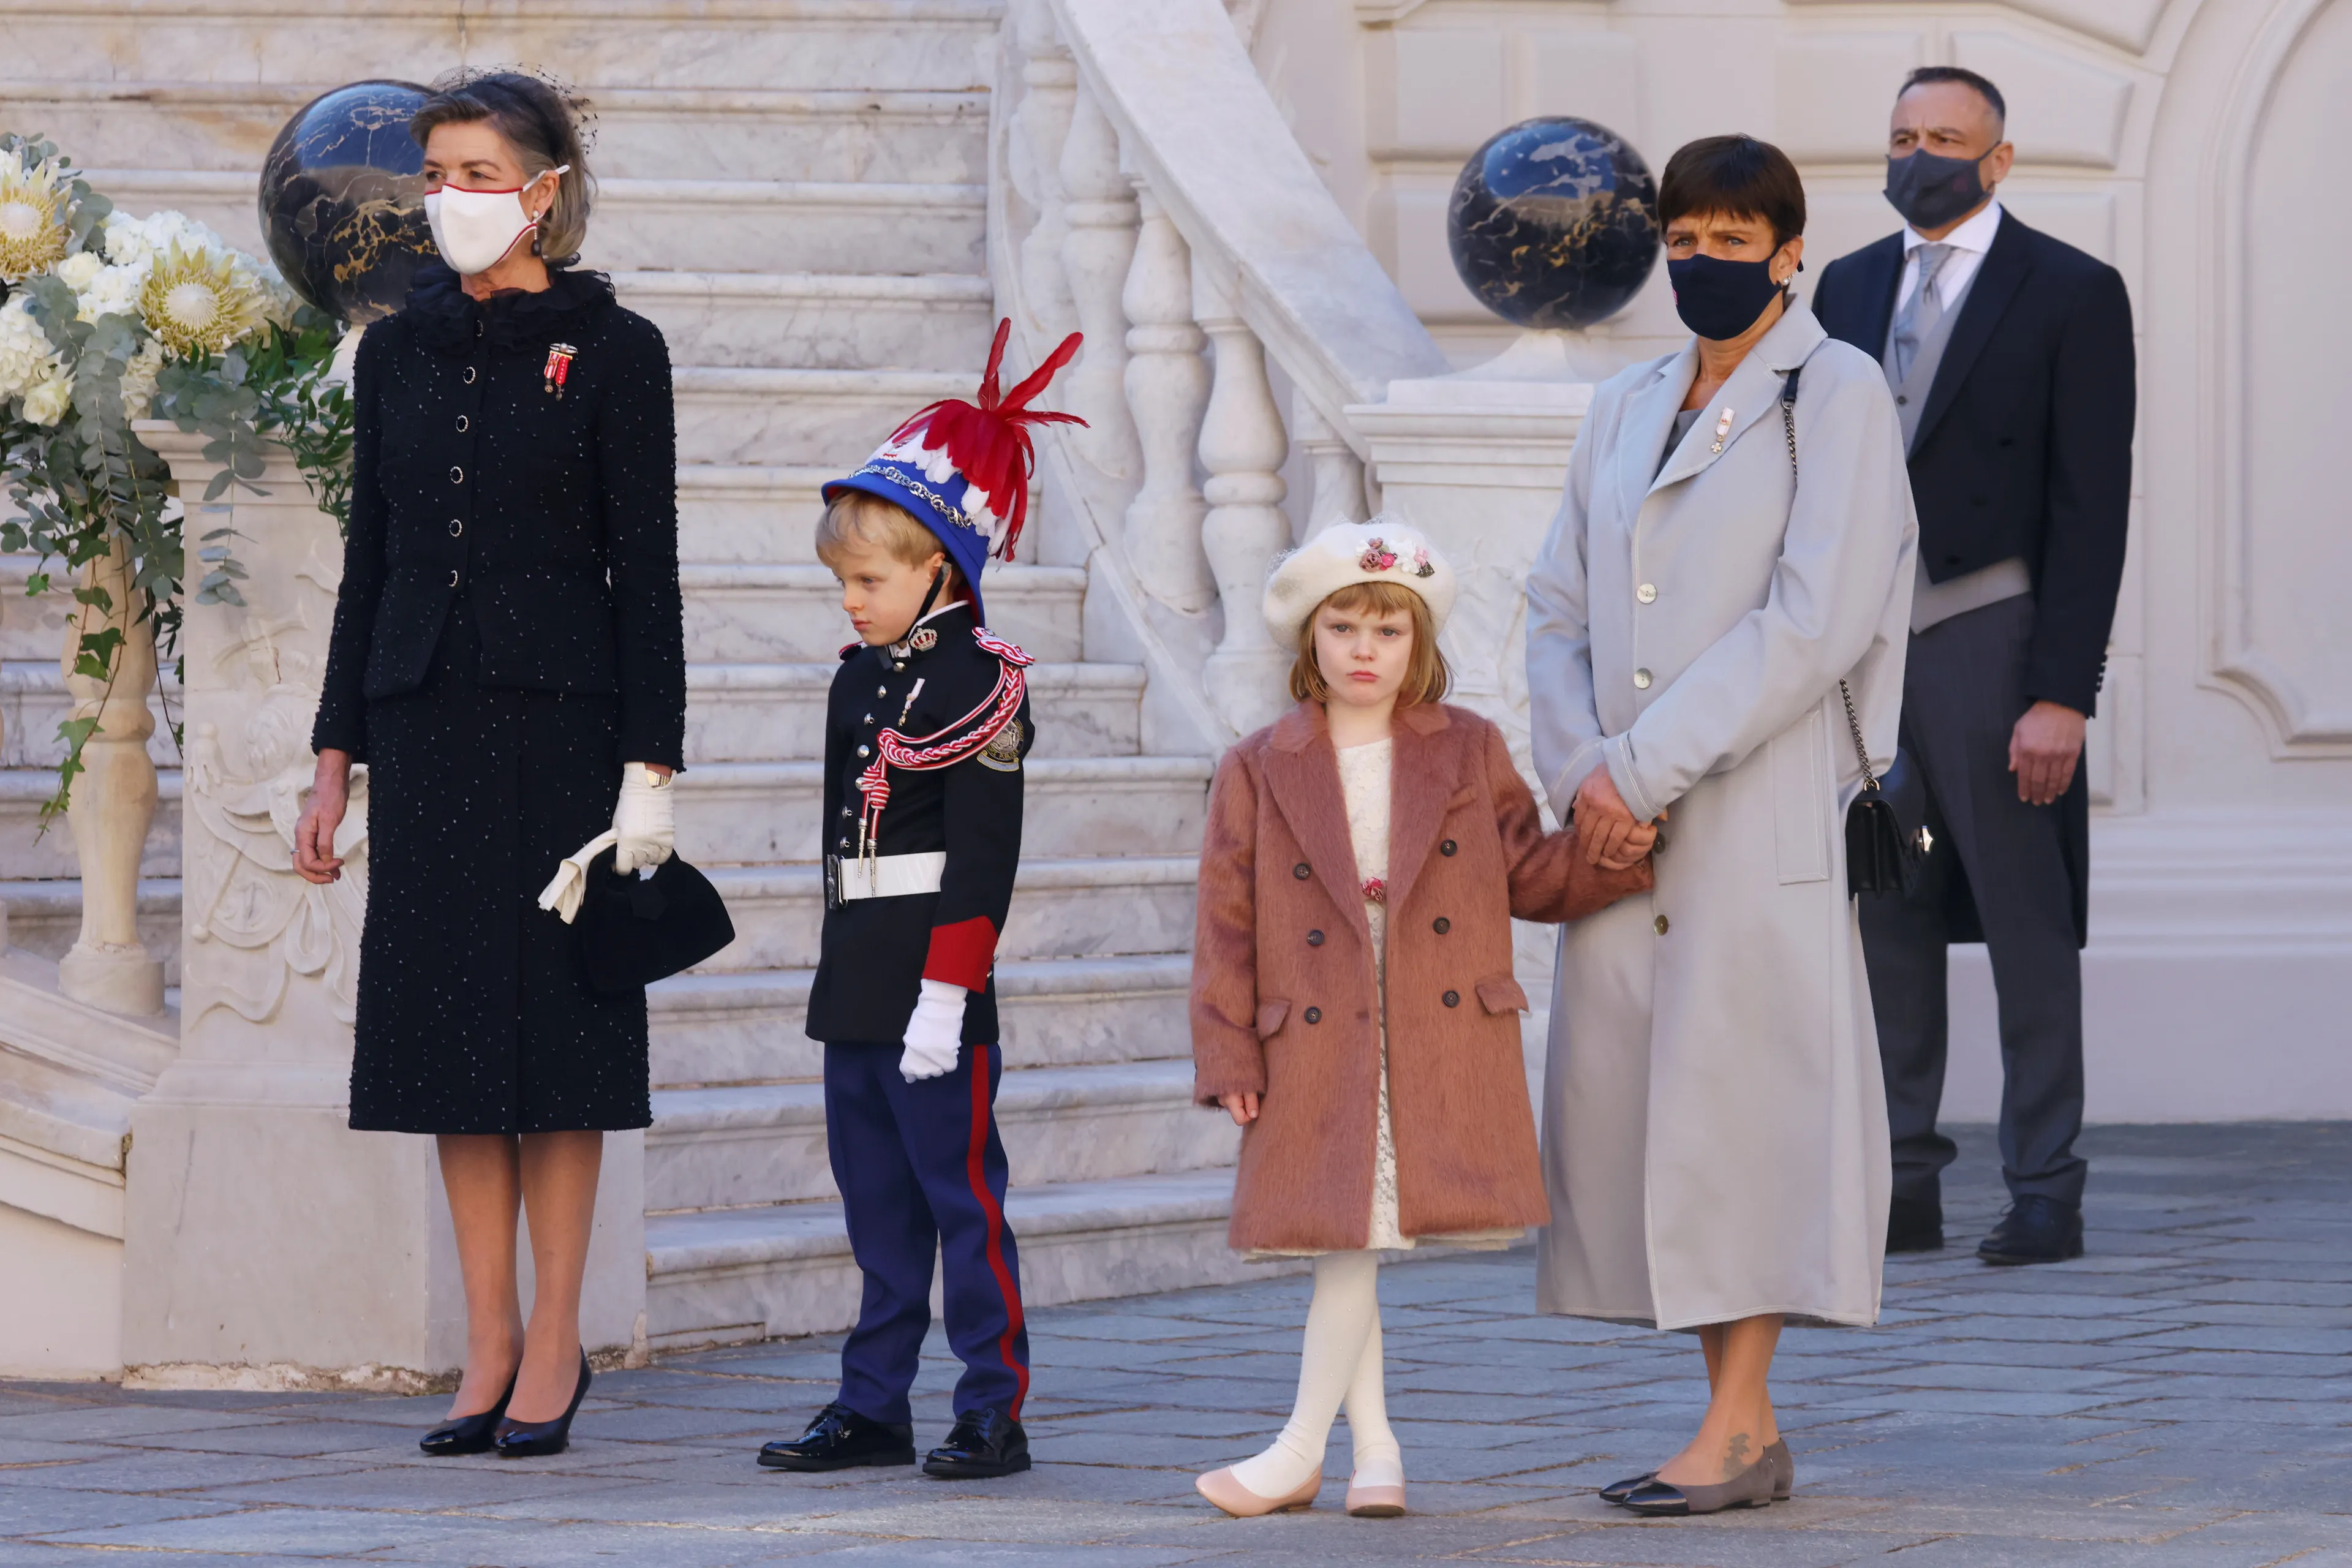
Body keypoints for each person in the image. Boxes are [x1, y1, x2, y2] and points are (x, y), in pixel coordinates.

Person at [293, 71, 684, 1459]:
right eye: (434, 174)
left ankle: (559, 1337)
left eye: (473, 172)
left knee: (559, 1046)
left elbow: (648, 574)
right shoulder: (395, 353)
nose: (446, 198)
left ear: (542, 191)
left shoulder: (617, 349)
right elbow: (371, 563)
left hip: (568, 732)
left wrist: (655, 765)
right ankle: (490, 1337)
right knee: (455, 1047)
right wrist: (335, 753)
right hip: (429, 724)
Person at [1526, 134, 1918, 1515]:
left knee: (1742, 1110)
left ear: (1790, 250)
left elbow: (1815, 623)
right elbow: (1555, 607)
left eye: (1733, 238)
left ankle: (1742, 1425)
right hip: (1623, 827)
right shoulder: (1626, 400)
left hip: (1750, 815)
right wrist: (1588, 776)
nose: (1704, 262)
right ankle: (1730, 1419)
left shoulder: (1840, 389)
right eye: (1684, 238)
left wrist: (1640, 773)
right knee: (1651, 1114)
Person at [1189, 518, 1651, 1520]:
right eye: (1345, 625)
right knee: (1350, 1240)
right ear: (1309, 638)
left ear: (1421, 645)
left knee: (1357, 1244)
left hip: (1430, 1033)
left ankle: (1308, 1450)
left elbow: (1526, 868)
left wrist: (1616, 852)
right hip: (1315, 1034)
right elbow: (1226, 919)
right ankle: (1370, 1456)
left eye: (1388, 632)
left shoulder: (1470, 749)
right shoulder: (1260, 763)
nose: (1365, 650)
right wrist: (1228, 1043)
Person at [1812, 67, 2135, 1267]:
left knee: (2022, 918)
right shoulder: (1843, 285)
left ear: (1999, 159)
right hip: (1863, 647)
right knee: (1890, 903)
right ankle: (1903, 1178)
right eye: (1902, 136)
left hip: (1992, 639)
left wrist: (2065, 690)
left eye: (1946, 138)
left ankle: (2045, 1182)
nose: (1920, 155)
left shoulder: (2071, 290)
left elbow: (2089, 506)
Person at [753, 323, 1081, 1483]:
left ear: (941, 565)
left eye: (869, 580)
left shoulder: (983, 684)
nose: (849, 600)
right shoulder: (859, 681)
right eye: (843, 581)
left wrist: (952, 991)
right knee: (877, 1214)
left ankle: (993, 1404)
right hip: (858, 975)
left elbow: (984, 862)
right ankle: (873, 1402)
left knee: (962, 1208)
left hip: (938, 984)